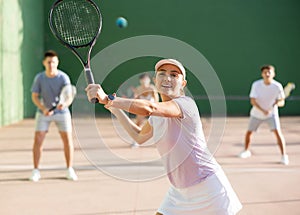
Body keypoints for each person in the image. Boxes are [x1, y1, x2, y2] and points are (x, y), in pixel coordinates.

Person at [86, 59, 242, 214]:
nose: (167, 78)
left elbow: (149, 107)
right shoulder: (157, 117)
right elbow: (138, 136)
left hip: (209, 188)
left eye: (174, 75)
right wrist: (113, 108)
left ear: (183, 83)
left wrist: (110, 99)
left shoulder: (186, 105)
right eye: (162, 74)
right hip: (179, 192)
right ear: (155, 80)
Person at [29, 50, 78, 181]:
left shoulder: (63, 77)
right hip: (43, 113)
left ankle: (69, 169)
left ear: (57, 63)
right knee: (38, 139)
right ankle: (35, 171)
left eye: (54, 62)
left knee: (67, 139)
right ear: (44, 63)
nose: (51, 64)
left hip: (62, 113)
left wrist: (65, 104)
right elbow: (34, 97)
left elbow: (69, 96)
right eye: (49, 62)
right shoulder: (40, 78)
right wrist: (43, 108)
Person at [238, 65, 289, 165]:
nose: (267, 74)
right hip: (256, 114)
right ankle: (246, 151)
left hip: (272, 115)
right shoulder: (256, 85)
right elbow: (253, 101)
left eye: (269, 72)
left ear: (273, 74)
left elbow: (281, 102)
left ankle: (284, 156)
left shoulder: (277, 86)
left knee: (278, 133)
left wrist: (276, 104)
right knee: (249, 132)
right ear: (262, 74)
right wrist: (262, 110)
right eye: (265, 72)